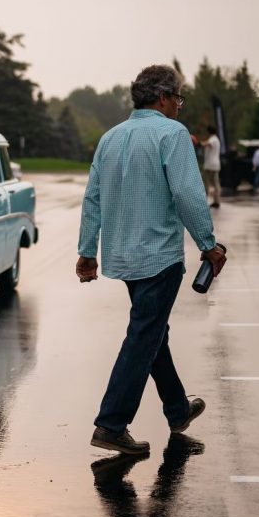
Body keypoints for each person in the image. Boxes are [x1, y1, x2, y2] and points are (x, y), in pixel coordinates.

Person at [76, 64, 226, 455]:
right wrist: (208, 244)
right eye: (177, 97)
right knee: (144, 334)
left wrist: (87, 252)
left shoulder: (110, 137)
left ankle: (177, 410)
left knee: (152, 330)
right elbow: (189, 194)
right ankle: (110, 424)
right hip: (158, 256)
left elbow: (92, 197)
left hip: (123, 256)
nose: (179, 105)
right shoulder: (171, 133)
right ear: (162, 98)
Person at [201, 125, 221, 208]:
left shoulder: (212, 139)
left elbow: (208, 144)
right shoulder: (217, 139)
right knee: (216, 184)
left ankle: (204, 201)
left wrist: (200, 143)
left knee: (205, 183)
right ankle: (217, 201)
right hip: (216, 164)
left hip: (210, 165)